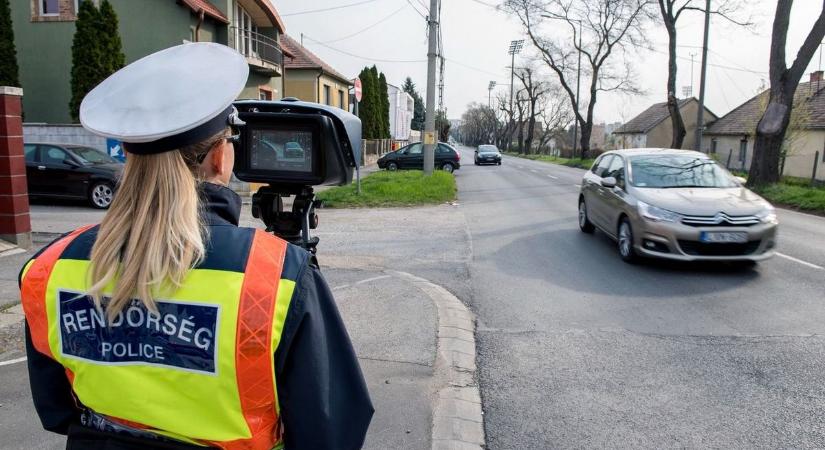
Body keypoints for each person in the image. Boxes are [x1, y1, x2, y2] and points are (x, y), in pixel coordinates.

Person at [19, 43, 373, 449]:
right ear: (221, 157)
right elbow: (331, 434)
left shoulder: (47, 268)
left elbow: (56, 409)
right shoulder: (276, 277)